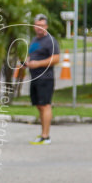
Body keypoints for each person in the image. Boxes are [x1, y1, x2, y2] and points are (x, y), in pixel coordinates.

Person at [25, 14, 60, 145]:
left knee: (45, 105)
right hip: (34, 77)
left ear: (47, 26)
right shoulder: (34, 40)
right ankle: (42, 133)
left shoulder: (50, 40)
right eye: (37, 25)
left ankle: (46, 136)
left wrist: (38, 64)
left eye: (42, 25)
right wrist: (27, 62)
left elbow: (56, 58)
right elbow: (32, 56)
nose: (39, 28)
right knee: (39, 105)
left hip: (45, 78)